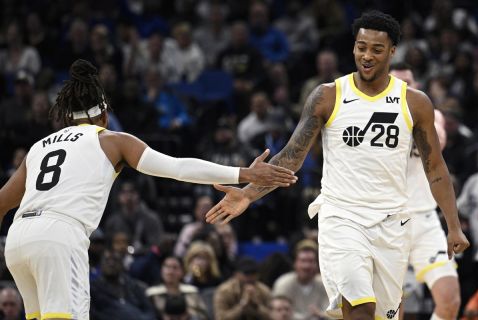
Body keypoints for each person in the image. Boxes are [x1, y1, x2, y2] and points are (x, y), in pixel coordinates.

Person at [205, 10, 469, 320]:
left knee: (383, 315)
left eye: (377, 49)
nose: (366, 55)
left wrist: (452, 225)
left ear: (392, 52)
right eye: (361, 47)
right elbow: (291, 156)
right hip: (342, 217)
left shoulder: (415, 103)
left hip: (393, 222)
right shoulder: (328, 96)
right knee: (358, 308)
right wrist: (248, 194)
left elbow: (435, 168)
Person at [0, 59, 297, 320]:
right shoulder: (111, 139)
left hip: (18, 239)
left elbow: (2, 202)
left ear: (67, 116)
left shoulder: (38, 148)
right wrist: (244, 173)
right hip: (59, 234)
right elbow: (177, 167)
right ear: (104, 115)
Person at [390, 62, 461, 320]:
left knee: (449, 300)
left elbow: (438, 140)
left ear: (416, 85)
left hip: (424, 219)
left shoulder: (431, 114)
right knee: (390, 309)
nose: (404, 88)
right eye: (397, 83)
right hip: (386, 220)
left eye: (408, 82)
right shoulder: (368, 119)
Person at [272, 239, 329, 320]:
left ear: (317, 264)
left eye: (311, 261)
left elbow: (331, 314)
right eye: (303, 261)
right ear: (295, 263)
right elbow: (277, 313)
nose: (306, 266)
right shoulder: (283, 283)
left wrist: (321, 315)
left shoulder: (325, 285)